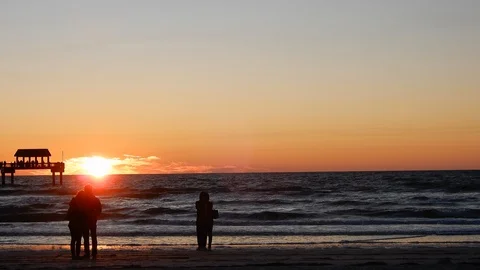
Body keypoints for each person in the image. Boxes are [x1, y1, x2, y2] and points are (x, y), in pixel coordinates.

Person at [83, 184, 102, 259]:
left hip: (85, 220)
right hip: (93, 219)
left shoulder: (83, 200)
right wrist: (95, 215)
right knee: (93, 236)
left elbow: (81, 210)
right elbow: (99, 210)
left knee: (86, 237)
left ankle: (87, 253)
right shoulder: (96, 199)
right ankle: (94, 253)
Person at [66, 191, 87, 259]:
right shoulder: (80, 203)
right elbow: (82, 212)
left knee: (73, 239)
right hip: (78, 223)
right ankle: (76, 255)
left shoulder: (72, 203)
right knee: (78, 240)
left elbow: (68, 214)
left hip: (72, 223)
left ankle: (73, 255)